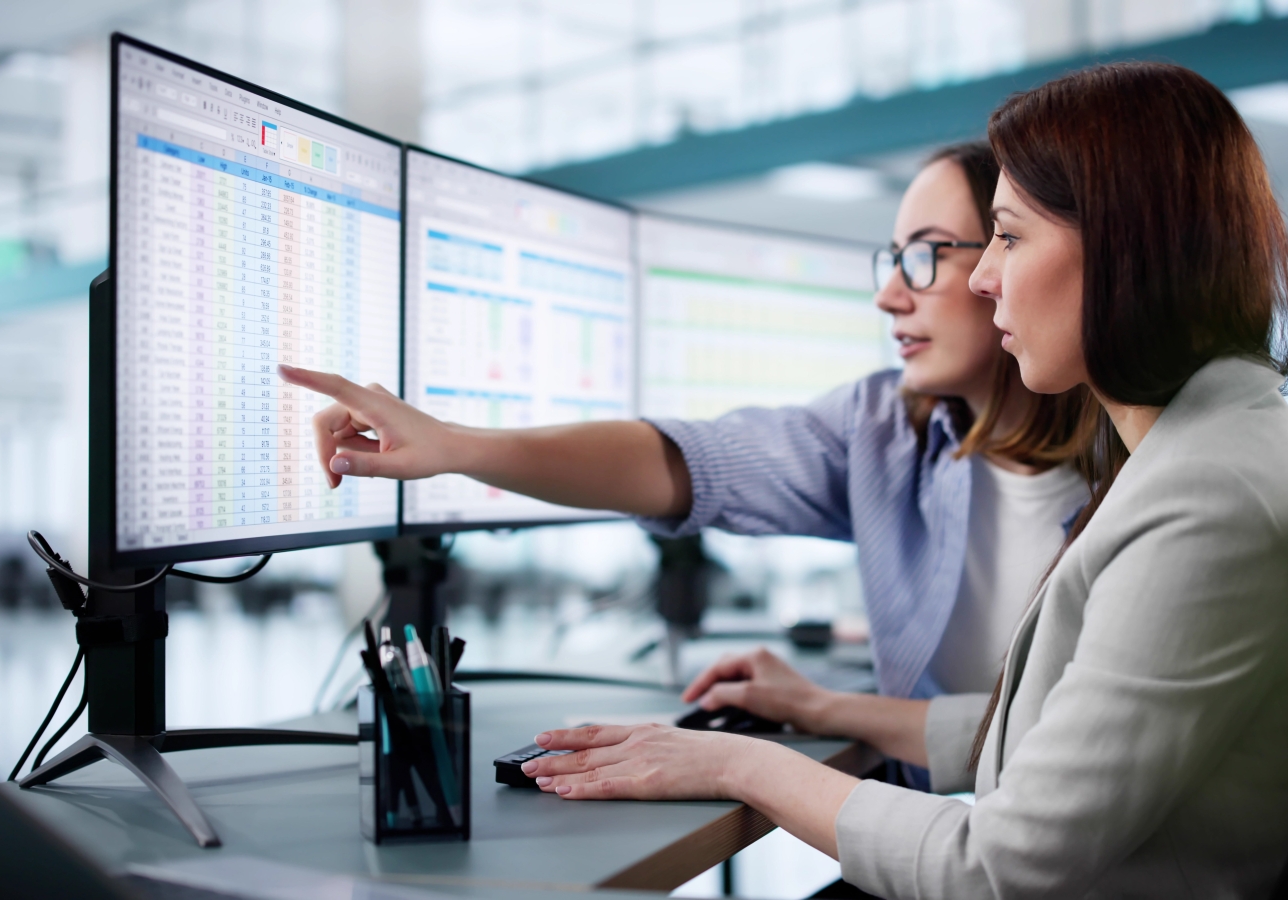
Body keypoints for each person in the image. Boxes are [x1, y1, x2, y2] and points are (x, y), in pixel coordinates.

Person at [503, 62, 1288, 899]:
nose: (987, 277)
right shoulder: (1213, 451)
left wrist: (733, 760)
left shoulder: (1206, 501)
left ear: (1122, 247)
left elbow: (993, 872)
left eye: (1009, 236)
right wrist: (824, 709)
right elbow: (1044, 741)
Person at [281, 142, 1097, 788]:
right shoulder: (887, 429)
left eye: (925, 256)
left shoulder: (1139, 468)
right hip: (944, 831)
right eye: (891, 260)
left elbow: (1056, 744)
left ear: (1011, 256)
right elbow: (686, 462)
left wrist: (826, 707)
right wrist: (460, 447)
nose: (890, 296)